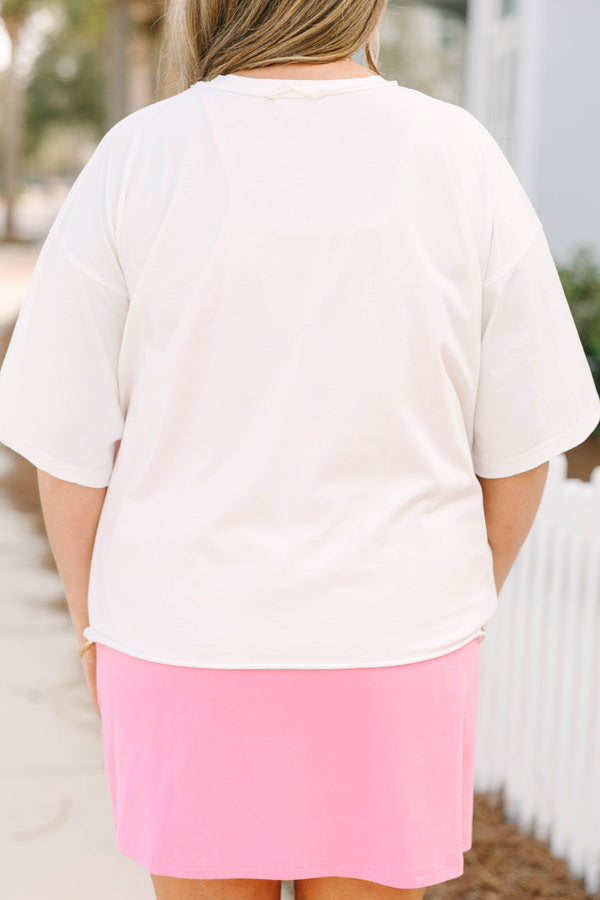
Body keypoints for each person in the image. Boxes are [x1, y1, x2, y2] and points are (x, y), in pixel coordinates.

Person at [0, 0, 599, 898]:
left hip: (181, 642)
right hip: (396, 647)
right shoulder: (458, 156)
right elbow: (525, 445)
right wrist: (456, 601)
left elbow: (68, 450)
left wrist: (96, 629)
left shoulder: (139, 157)